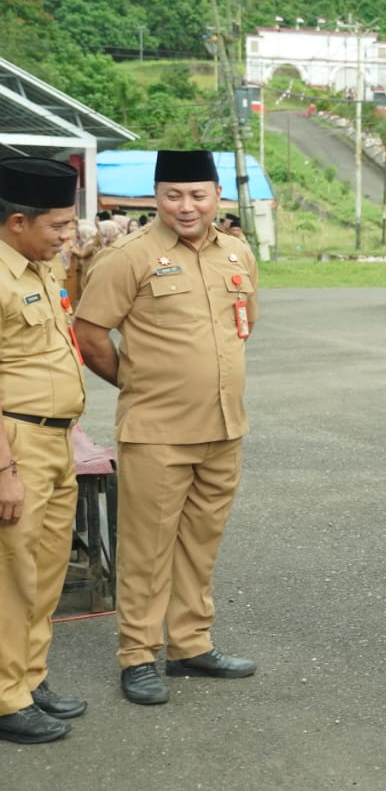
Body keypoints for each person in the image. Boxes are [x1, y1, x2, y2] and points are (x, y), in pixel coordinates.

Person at [76, 149, 260, 707]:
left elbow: (245, 320)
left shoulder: (236, 250)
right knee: (147, 550)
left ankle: (189, 644)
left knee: (201, 544)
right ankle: (137, 655)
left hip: (224, 428)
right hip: (157, 432)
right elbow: (88, 334)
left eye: (198, 195)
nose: (187, 206)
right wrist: (138, 384)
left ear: (216, 196)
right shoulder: (128, 257)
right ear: (156, 197)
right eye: (173, 195)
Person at [0, 157, 88, 745]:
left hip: (57, 440)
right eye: (57, 225)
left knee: (47, 571)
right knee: (12, 577)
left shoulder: (41, 266)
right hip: (17, 443)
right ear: (16, 222)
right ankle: (6, 698)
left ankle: (30, 678)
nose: (67, 236)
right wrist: (4, 470)